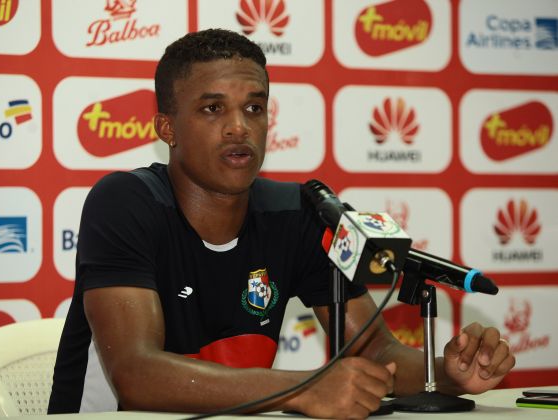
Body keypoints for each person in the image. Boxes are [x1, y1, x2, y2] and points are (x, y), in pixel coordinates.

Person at [48, 28, 515, 418]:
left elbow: (373, 350)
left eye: (254, 108)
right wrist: (305, 388)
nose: (239, 127)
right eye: (213, 109)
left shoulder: (298, 212)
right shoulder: (126, 203)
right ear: (166, 128)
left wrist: (445, 374)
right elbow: (136, 376)